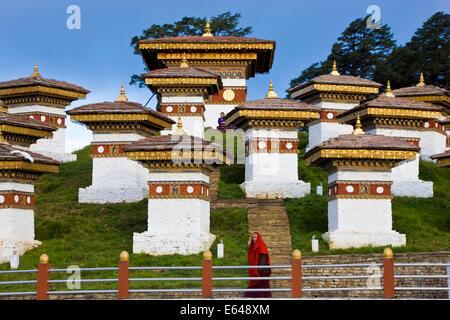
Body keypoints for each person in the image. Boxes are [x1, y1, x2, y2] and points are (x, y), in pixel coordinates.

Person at [244, 232, 272, 298]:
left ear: (258, 238)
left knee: (262, 288)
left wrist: (257, 270)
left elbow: (263, 260)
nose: (254, 239)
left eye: (255, 237)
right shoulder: (253, 246)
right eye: (253, 237)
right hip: (257, 270)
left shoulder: (262, 246)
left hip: (262, 271)